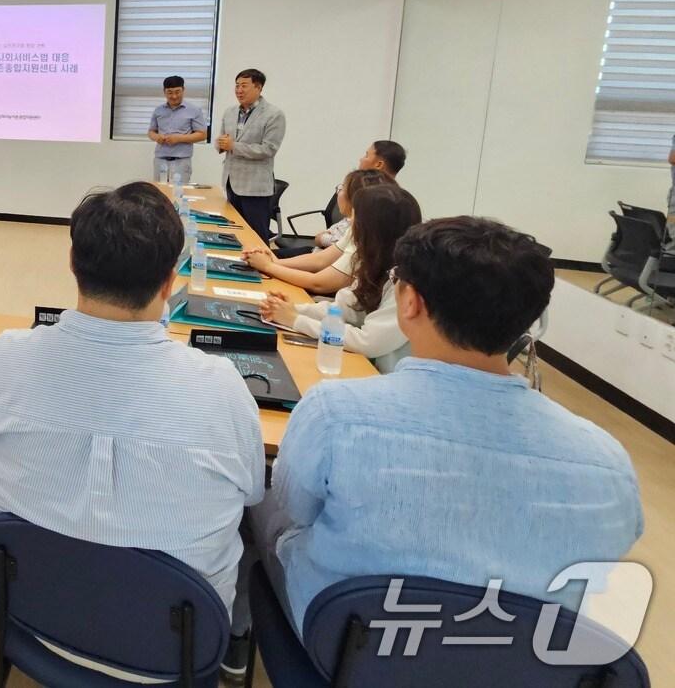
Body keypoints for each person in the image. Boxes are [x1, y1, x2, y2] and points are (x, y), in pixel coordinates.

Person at [246, 217, 643, 640]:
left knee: (260, 500)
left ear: (409, 302)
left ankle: (236, 635)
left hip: (348, 645)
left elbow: (295, 511)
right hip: (519, 662)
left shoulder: (336, 411)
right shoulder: (609, 462)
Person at [0, 182, 264, 678]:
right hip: (172, 641)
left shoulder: (8, 353)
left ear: (71, 261)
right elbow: (253, 490)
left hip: (27, 607)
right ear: (171, 281)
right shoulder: (219, 384)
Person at [260, 182, 422, 373]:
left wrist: (296, 320)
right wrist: (293, 310)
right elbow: (345, 311)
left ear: (374, 231)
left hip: (386, 376)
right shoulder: (376, 263)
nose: (350, 226)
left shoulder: (406, 281)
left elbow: (367, 341)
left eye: (356, 220)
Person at [246, 168, 394, 295]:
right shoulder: (356, 229)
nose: (338, 192)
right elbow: (320, 259)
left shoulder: (366, 239)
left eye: (342, 187)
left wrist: (268, 266)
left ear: (356, 199)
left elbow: (319, 283)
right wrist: (274, 261)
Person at [216, 69, 285, 242]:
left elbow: (268, 149)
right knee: (233, 234)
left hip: (255, 187)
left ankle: (264, 268)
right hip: (231, 181)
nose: (239, 90)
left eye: (244, 86)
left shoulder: (274, 115)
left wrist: (233, 146)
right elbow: (223, 140)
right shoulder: (230, 112)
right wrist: (220, 144)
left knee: (256, 236)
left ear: (258, 87)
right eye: (237, 86)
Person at [311, 140, 408, 249]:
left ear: (379, 164)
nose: (361, 159)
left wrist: (322, 238)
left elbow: (348, 246)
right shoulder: (399, 199)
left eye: (366, 155)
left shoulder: (377, 201)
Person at [148, 75, 208, 181]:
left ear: (183, 90)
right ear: (164, 92)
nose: (174, 96)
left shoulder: (194, 110)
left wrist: (179, 138)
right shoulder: (158, 110)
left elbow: (202, 135)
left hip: (181, 161)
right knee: (159, 194)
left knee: (179, 194)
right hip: (160, 160)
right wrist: (157, 137)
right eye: (170, 92)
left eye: (177, 92)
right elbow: (151, 132)